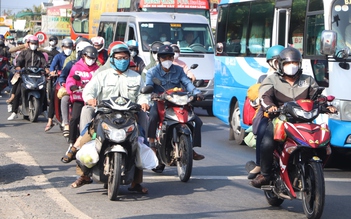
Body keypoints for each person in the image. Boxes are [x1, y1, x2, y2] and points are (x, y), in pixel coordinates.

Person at [63, 43, 150, 193]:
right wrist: (90, 99)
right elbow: (89, 91)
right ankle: (83, 172)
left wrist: (143, 101)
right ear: (112, 59)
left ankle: (136, 182)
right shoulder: (102, 75)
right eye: (118, 58)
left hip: (128, 116)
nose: (122, 60)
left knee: (139, 141)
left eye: (125, 58)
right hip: (105, 115)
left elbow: (143, 94)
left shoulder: (136, 77)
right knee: (89, 136)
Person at [250, 47, 337, 188]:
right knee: (267, 143)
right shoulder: (271, 80)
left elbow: (318, 97)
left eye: (295, 63)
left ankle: (314, 168)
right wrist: (270, 107)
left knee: (322, 141)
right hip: (281, 120)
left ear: (300, 64)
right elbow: (265, 97)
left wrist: (326, 106)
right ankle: (265, 174)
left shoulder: (308, 80)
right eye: (288, 64)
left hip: (304, 121)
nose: (292, 66)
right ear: (280, 65)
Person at [146, 45, 205, 173]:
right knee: (153, 116)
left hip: (177, 102)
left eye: (169, 57)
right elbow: (148, 87)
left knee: (197, 121)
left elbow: (187, 83)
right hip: (161, 102)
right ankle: (152, 145)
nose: (167, 59)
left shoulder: (178, 70)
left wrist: (197, 93)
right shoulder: (152, 72)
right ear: (159, 58)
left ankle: (190, 148)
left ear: (173, 58)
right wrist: (153, 95)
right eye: (164, 57)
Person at [246, 45, 285, 180]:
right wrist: (262, 103)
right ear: (270, 62)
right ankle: (260, 164)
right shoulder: (264, 79)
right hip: (269, 116)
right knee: (263, 133)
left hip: (290, 116)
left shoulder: (295, 78)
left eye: (283, 61)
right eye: (276, 61)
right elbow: (255, 97)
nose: (280, 64)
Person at [65, 46, 99, 146]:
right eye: (89, 57)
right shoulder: (76, 67)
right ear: (84, 56)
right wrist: (72, 86)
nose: (91, 60)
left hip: (93, 99)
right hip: (79, 96)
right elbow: (70, 79)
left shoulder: (98, 70)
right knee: (75, 118)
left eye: (93, 58)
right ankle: (72, 141)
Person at [57, 41, 92, 137]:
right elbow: (66, 76)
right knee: (65, 99)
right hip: (74, 91)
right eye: (86, 55)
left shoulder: (96, 67)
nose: (90, 58)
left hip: (90, 95)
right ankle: (66, 123)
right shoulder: (72, 64)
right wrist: (67, 85)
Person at [7, 36, 47, 120]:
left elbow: (44, 64)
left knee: (43, 90)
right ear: (28, 43)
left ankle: (44, 110)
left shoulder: (40, 54)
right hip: (25, 75)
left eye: (35, 43)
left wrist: (47, 69)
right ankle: (14, 112)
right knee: (18, 92)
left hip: (37, 76)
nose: (34, 45)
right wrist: (18, 68)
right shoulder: (23, 53)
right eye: (32, 43)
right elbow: (19, 62)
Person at [44, 38, 74, 132]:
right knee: (53, 97)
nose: (67, 48)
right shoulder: (58, 56)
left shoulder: (75, 58)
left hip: (73, 81)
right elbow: (52, 67)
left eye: (69, 47)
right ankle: (50, 121)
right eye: (66, 47)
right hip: (61, 80)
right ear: (62, 47)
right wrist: (53, 72)